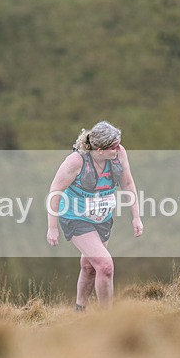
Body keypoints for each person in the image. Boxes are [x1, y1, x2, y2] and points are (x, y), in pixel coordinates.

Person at [47, 121, 143, 310]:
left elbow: (128, 184)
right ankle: (106, 319)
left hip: (103, 218)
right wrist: (52, 227)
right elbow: (55, 190)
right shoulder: (76, 161)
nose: (119, 148)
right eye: (114, 146)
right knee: (105, 266)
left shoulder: (119, 154)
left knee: (90, 267)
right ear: (99, 150)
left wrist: (136, 217)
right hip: (75, 217)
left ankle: (79, 309)